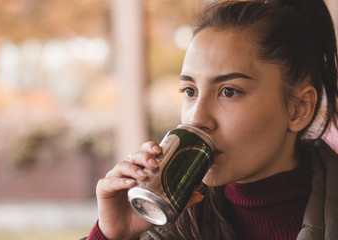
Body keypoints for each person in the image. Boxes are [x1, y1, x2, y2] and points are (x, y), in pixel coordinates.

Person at [83, 0, 338, 239]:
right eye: (190, 91)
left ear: (299, 109)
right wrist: (112, 234)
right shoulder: (171, 221)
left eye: (229, 91)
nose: (196, 118)